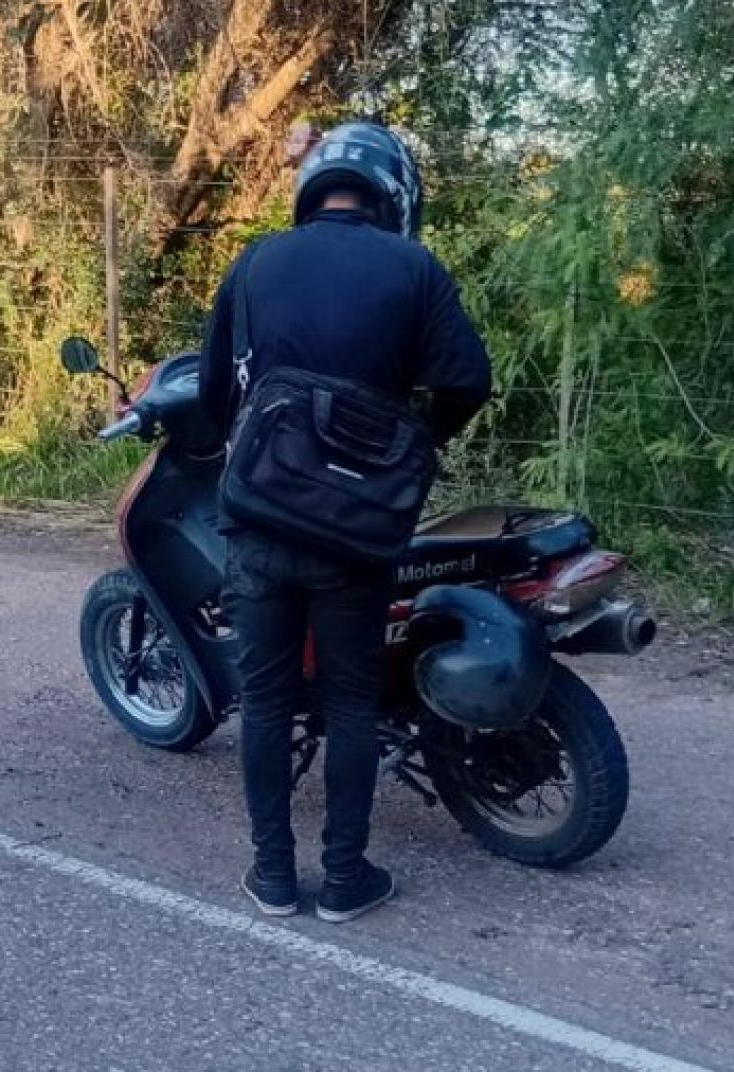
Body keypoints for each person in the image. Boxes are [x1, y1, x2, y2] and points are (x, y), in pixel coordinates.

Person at [197, 121, 492, 922]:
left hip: (258, 523)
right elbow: (467, 379)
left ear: (313, 188)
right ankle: (346, 877)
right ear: (393, 193)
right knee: (352, 702)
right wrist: (408, 440)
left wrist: (247, 442)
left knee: (263, 702)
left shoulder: (256, 261)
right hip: (356, 533)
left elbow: (216, 389)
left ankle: (273, 878)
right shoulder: (414, 268)